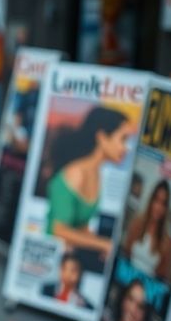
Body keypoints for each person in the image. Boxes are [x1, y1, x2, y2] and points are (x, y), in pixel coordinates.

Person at [46, 106, 135, 260]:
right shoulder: (76, 173)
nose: (126, 148)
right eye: (123, 139)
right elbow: (58, 229)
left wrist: (107, 245)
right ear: (102, 137)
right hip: (50, 253)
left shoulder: (97, 174)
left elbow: (81, 227)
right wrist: (103, 244)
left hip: (70, 257)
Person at [122, 180, 171, 281]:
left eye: (163, 204)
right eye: (156, 200)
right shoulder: (137, 223)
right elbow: (125, 255)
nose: (158, 207)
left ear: (166, 209)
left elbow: (162, 277)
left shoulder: (167, 241)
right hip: (126, 279)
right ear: (151, 201)